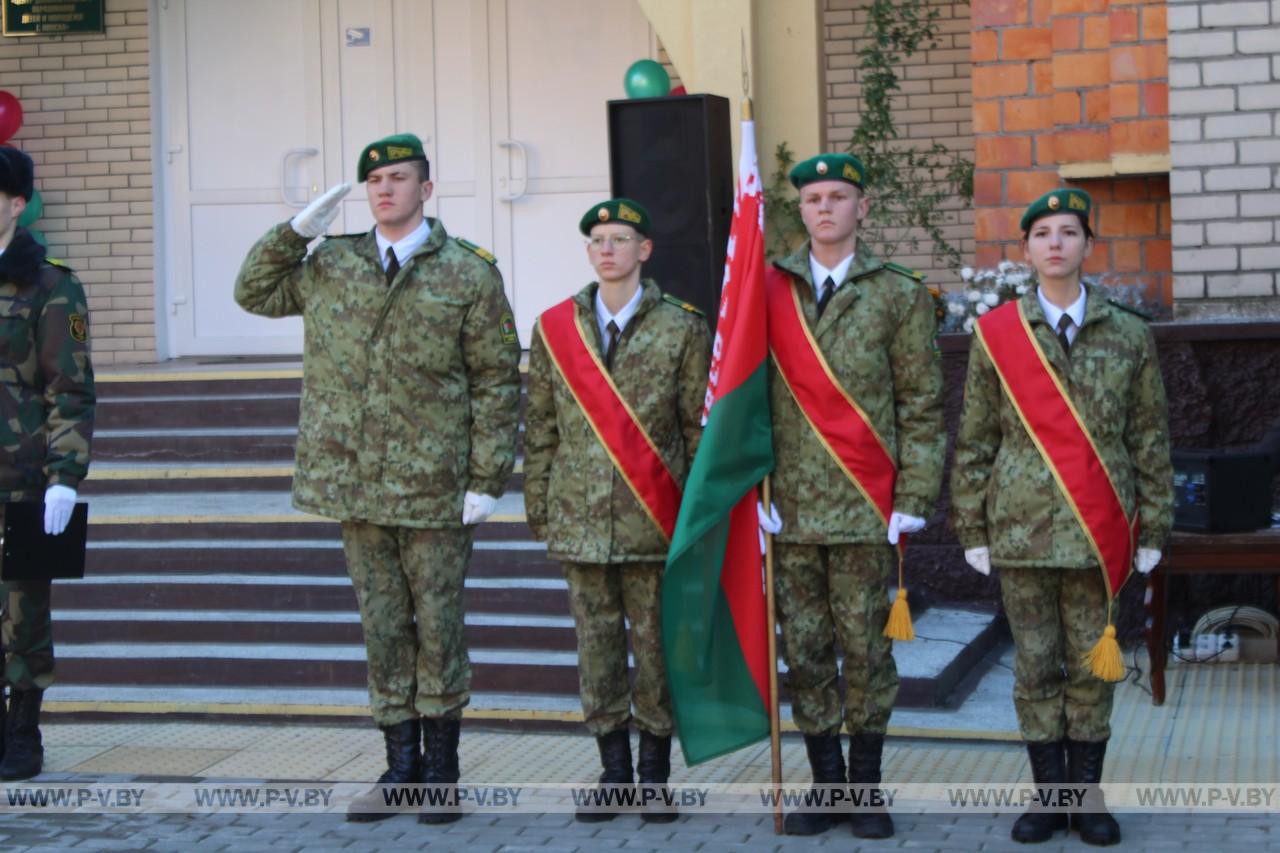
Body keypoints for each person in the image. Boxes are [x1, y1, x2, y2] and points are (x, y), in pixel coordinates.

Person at [235, 133, 521, 824]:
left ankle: (442, 772)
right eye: (376, 181)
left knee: (439, 626)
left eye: (399, 178)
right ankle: (400, 766)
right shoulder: (332, 262)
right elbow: (252, 291)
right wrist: (296, 231)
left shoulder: (466, 272)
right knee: (384, 627)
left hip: (435, 488)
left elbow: (495, 380)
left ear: (427, 187)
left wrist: (487, 476)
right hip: (357, 485)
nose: (385, 189)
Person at [949, 188, 1173, 846]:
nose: (1055, 243)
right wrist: (971, 527)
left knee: (1093, 666)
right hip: (1020, 530)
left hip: (1099, 533)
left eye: (1068, 232)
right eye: (1042, 233)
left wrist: (1153, 527)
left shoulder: (1129, 333)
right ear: (1025, 251)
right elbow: (977, 438)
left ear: (1086, 245)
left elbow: (1151, 439)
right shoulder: (997, 335)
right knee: (1035, 666)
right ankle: (1049, 795)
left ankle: (1088, 796)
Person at [762, 153, 945, 838]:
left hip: (869, 505)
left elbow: (921, 405)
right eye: (814, 198)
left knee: (868, 651)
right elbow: (741, 398)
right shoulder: (767, 288)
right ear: (800, 210)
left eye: (839, 196)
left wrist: (917, 490)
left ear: (862, 208)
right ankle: (825, 783)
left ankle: (865, 787)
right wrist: (753, 486)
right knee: (805, 650)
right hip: (793, 508)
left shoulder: (897, 292)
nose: (826, 208)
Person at [523, 199, 709, 823]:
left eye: (620, 238)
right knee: (597, 652)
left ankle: (654, 778)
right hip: (580, 522)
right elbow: (542, 430)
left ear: (644, 250)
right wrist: (542, 511)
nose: (607, 249)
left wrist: (695, 517)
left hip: (653, 522)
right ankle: (614, 775)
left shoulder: (683, 327)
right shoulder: (555, 329)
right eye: (597, 239)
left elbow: (695, 431)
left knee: (657, 653)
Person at [0, 146, 95, 782]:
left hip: (23, 479)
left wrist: (64, 476)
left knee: (22, 612)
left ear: (13, 203)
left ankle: (22, 733)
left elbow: (70, 387)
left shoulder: (50, 284)